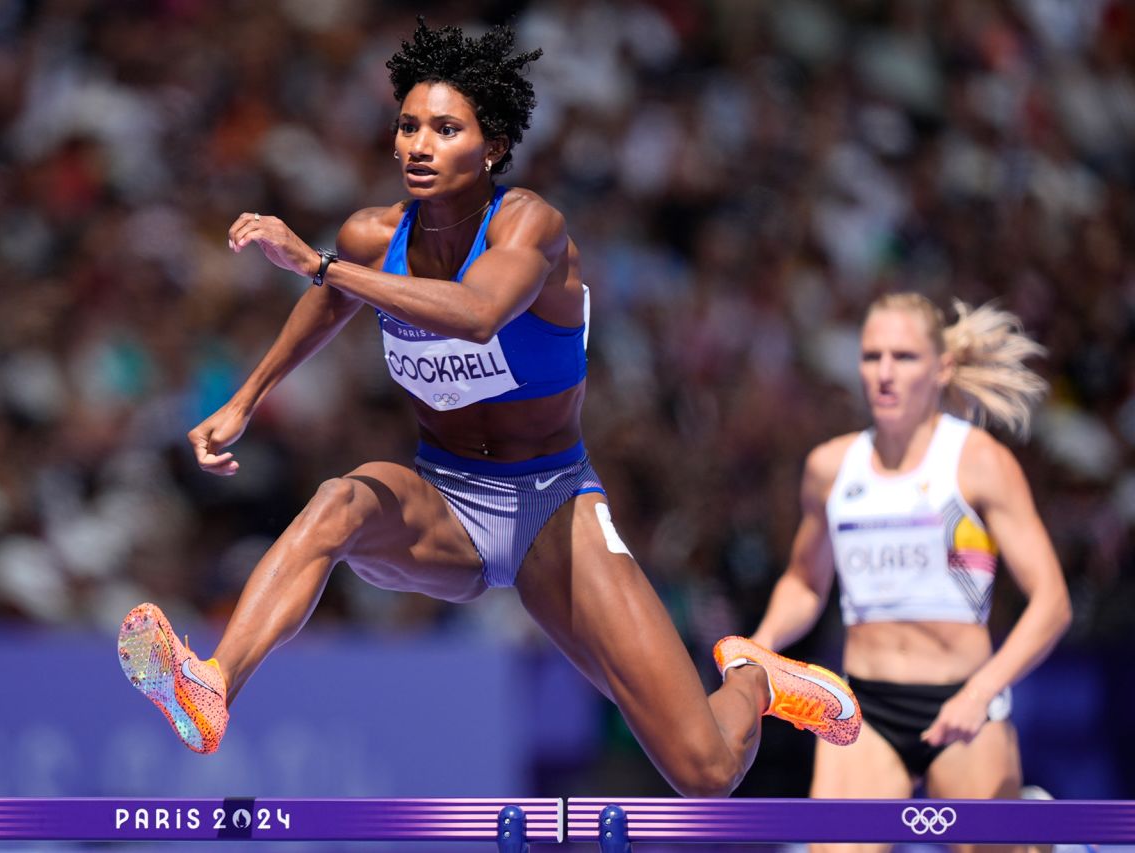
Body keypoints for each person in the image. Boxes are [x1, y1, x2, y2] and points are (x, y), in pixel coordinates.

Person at [116, 18, 861, 797]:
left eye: (445, 128)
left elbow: (475, 313)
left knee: (705, 771)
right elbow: (325, 307)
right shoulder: (370, 239)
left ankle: (754, 677)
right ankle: (213, 684)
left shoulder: (532, 227)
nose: (419, 145)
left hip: (554, 508)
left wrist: (323, 265)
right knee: (339, 501)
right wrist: (245, 397)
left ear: (494, 146)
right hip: (443, 500)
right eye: (408, 126)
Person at [749, 293, 1071, 841]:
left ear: (942, 366)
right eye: (872, 357)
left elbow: (1052, 603)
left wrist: (981, 692)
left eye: (904, 357)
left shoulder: (979, 461)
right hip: (865, 709)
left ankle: (1045, 836)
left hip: (963, 701)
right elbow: (805, 582)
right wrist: (758, 646)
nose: (885, 373)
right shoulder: (831, 467)